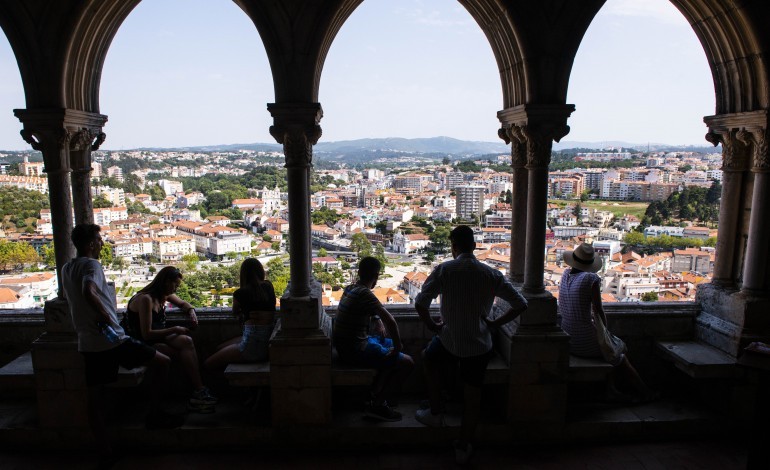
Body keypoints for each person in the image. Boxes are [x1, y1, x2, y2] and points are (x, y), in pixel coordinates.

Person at [61, 224, 182, 466]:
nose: (102, 243)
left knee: (95, 397)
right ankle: (155, 413)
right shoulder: (91, 265)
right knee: (163, 362)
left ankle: (104, 449)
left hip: (87, 342)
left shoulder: (67, 268)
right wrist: (105, 314)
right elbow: (88, 290)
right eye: (99, 239)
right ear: (90, 243)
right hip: (111, 339)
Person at [414, 225, 527, 464]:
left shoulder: (444, 270)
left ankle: (435, 412)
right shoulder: (491, 274)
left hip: (448, 339)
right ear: (474, 246)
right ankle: (464, 446)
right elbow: (520, 304)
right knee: (473, 397)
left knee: (428, 358)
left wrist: (433, 326)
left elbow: (421, 302)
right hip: (479, 344)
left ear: (453, 247)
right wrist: (495, 323)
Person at [559, 242, 658, 403]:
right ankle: (645, 392)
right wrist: (605, 331)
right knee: (619, 354)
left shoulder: (564, 275)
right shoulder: (591, 278)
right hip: (585, 342)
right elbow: (598, 309)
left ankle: (611, 390)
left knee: (610, 351)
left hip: (569, 338)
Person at [124, 266, 217, 413]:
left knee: (186, 341)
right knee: (177, 354)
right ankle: (191, 394)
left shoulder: (162, 295)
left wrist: (191, 311)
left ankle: (199, 390)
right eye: (175, 285)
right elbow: (146, 334)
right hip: (141, 343)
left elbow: (182, 303)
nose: (176, 289)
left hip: (158, 337)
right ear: (166, 282)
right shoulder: (146, 299)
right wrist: (175, 329)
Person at [333, 256, 414, 422]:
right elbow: (390, 320)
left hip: (346, 346)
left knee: (390, 348)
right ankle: (377, 405)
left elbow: (369, 311)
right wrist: (398, 347)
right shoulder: (365, 294)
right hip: (355, 350)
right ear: (376, 276)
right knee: (407, 362)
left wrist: (376, 320)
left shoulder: (350, 288)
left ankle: (376, 392)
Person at [204, 258, 277, 371]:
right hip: (265, 342)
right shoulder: (268, 286)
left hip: (251, 347)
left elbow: (235, 311)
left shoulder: (239, 293)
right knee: (220, 349)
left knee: (208, 363)